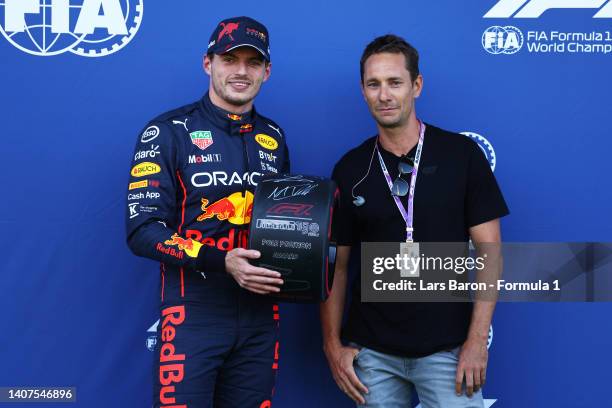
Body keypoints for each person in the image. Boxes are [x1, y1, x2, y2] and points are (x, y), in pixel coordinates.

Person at [321, 34, 509, 407]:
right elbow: (334, 269)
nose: (384, 95)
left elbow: (490, 254)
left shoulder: (461, 155)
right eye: (374, 84)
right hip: (372, 356)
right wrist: (332, 346)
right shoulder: (350, 168)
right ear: (363, 90)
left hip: (449, 352)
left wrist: (475, 342)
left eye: (395, 82)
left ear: (416, 85)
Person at [125, 16, 289, 408]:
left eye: (252, 62)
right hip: (193, 313)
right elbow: (143, 229)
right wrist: (222, 261)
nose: (241, 71)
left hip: (260, 317)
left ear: (266, 72)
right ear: (208, 63)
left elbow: (283, 226)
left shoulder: (275, 137)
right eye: (230, 59)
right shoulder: (168, 131)